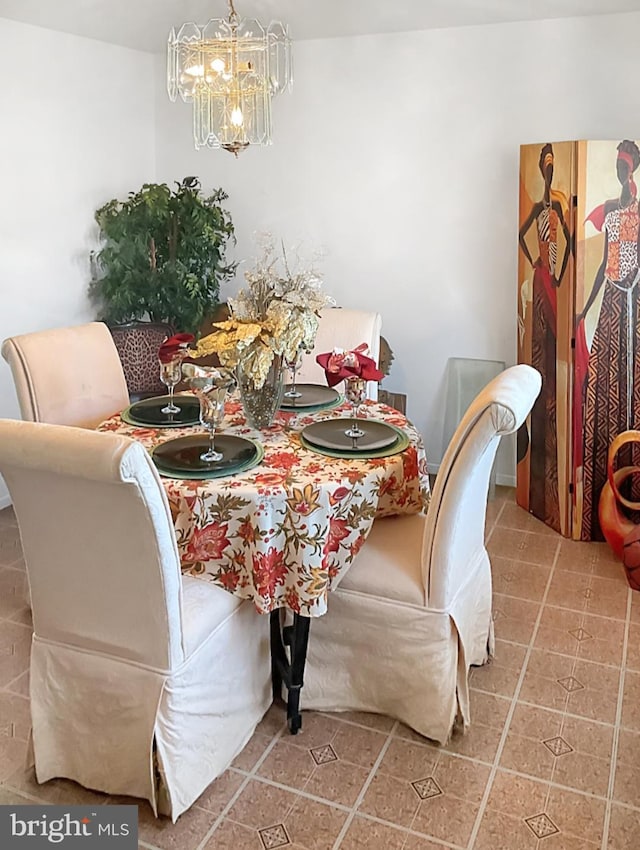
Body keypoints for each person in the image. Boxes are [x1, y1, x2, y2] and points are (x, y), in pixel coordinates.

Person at [578, 139, 640, 540]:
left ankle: (631, 497)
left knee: (631, 380)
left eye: (624, 165)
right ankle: (596, 504)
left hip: (634, 304)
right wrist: (586, 307)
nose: (620, 170)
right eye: (617, 164)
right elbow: (604, 263)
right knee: (602, 381)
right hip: (615, 304)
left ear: (633, 168)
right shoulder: (613, 212)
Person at [518, 143, 570, 533]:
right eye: (545, 165)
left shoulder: (559, 207)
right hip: (540, 280)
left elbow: (566, 244)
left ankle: (555, 480)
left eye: (553, 165)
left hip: (552, 283)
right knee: (539, 355)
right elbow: (523, 237)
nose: (549, 171)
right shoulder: (539, 208)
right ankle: (536, 481)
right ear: (540, 169)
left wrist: (563, 271)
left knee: (552, 355)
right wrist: (539, 262)